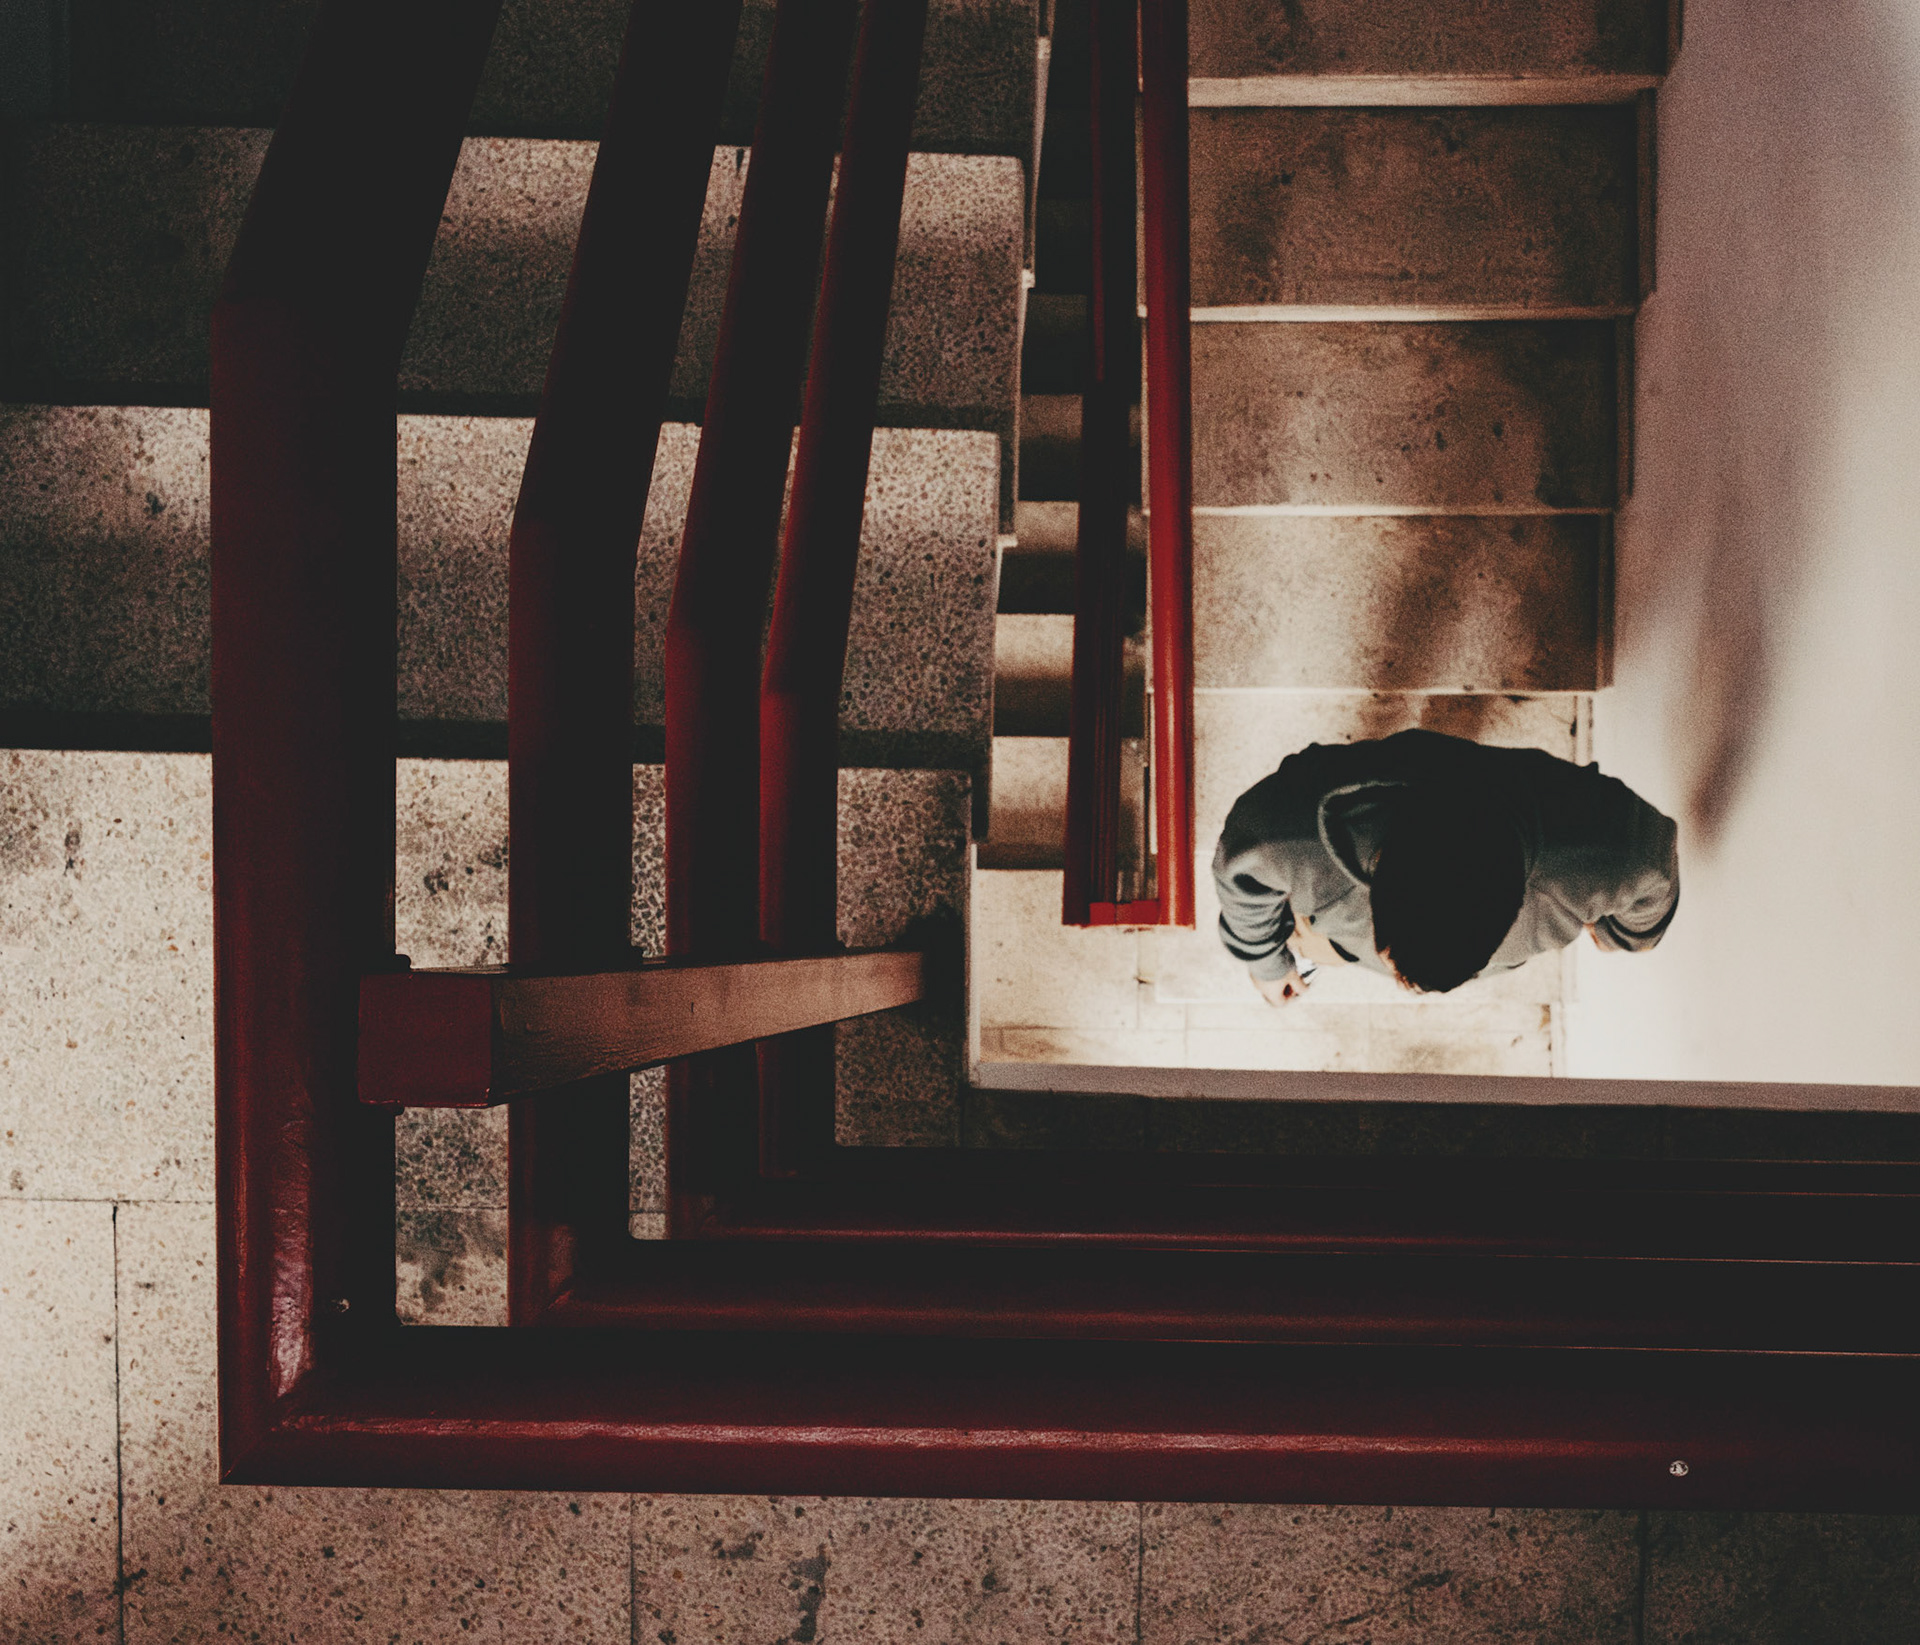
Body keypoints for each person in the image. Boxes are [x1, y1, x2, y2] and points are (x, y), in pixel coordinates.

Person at [1213, 727, 1679, 1004]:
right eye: (1393, 958)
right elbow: (1241, 874)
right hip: (1351, 857)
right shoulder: (1287, 835)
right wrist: (1265, 962)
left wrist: (1626, 934)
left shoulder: (1607, 849)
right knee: (1320, 943)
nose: (1407, 990)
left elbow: (1657, 873)